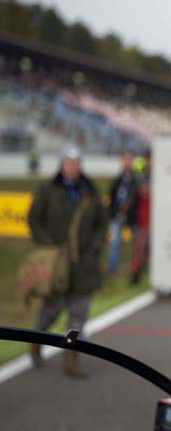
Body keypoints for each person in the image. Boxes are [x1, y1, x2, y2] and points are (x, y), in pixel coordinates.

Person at [27, 145, 108, 377]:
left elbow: (102, 222)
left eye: (75, 163)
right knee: (51, 310)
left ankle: (71, 361)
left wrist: (96, 245)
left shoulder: (90, 191)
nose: (71, 167)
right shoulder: (48, 190)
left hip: (84, 264)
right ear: (61, 165)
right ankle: (36, 342)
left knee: (79, 314)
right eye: (67, 162)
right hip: (57, 264)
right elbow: (34, 219)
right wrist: (47, 244)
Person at [107, 151, 138, 273]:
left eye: (129, 160)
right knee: (114, 243)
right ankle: (112, 268)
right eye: (125, 160)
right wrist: (112, 213)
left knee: (137, 243)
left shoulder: (136, 180)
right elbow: (111, 197)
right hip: (117, 216)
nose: (127, 162)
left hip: (132, 216)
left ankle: (135, 268)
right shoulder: (117, 180)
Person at [130, 151, 151, 285]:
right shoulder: (140, 175)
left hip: (151, 219)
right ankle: (135, 274)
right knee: (139, 247)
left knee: (148, 248)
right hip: (142, 219)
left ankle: (146, 271)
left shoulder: (156, 174)